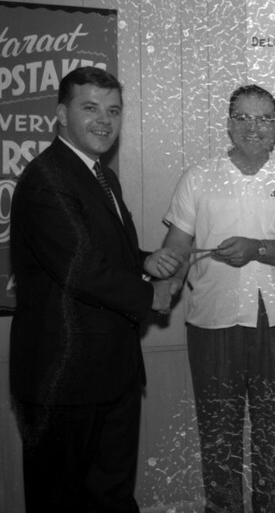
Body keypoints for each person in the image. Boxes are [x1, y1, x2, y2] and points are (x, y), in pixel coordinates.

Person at [9, 66, 183, 512]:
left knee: (112, 498)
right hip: (63, 383)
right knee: (61, 502)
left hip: (110, 373)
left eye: (114, 110)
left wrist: (144, 260)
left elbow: (101, 250)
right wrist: (152, 295)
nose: (104, 120)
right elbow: (81, 269)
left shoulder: (99, 175)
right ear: (61, 114)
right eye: (90, 108)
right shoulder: (47, 179)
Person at [161, 84, 275, 513]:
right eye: (244, 118)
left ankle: (274, 506)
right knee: (218, 430)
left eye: (265, 118)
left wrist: (257, 248)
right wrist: (158, 288)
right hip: (213, 320)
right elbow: (176, 251)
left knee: (274, 429)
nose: (254, 127)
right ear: (229, 124)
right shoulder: (198, 177)